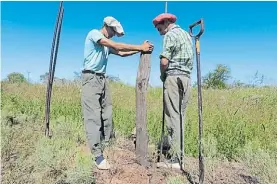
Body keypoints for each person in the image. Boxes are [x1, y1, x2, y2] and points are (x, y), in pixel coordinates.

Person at [81, 16, 154, 170]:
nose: (114, 34)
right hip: (90, 78)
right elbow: (115, 44)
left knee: (107, 114)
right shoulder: (94, 34)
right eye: (113, 31)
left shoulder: (107, 45)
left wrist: (140, 50)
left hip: (102, 79)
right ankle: (97, 156)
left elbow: (120, 52)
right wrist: (140, 47)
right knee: (93, 117)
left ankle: (105, 145)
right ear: (106, 26)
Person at [152, 13, 194, 169]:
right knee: (181, 117)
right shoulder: (186, 35)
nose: (159, 31)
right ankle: (180, 155)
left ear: (166, 22)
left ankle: (175, 159)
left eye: (159, 27)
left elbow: (164, 61)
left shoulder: (170, 35)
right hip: (187, 78)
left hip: (173, 77)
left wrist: (163, 75)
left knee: (172, 117)